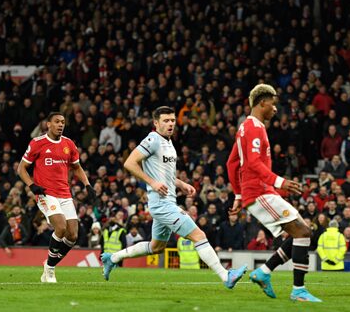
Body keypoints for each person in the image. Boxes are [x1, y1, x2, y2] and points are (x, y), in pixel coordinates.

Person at [101, 106, 246, 289]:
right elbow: (129, 163)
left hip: (167, 202)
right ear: (156, 123)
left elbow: (165, 175)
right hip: (162, 205)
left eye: (172, 120)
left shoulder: (168, 143)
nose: (170, 124)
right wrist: (152, 183)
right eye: (166, 121)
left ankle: (112, 257)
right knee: (199, 235)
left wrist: (181, 184)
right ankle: (226, 276)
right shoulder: (153, 139)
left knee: (156, 247)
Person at [226, 84, 321, 302]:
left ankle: (264, 272)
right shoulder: (254, 128)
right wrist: (279, 181)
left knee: (300, 232)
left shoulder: (244, 128)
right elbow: (252, 162)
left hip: (257, 192)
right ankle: (298, 290)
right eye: (273, 103)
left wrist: (239, 195)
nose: (275, 109)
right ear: (262, 103)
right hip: (260, 191)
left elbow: (231, 163)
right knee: (303, 232)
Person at [17, 111, 96, 283]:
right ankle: (51, 270)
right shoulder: (37, 143)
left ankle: (49, 264)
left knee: (73, 235)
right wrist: (32, 185)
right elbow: (21, 168)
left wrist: (87, 185)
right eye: (57, 122)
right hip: (45, 194)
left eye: (63, 122)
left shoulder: (69, 144)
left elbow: (76, 167)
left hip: (65, 193)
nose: (61, 125)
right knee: (60, 227)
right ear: (48, 124)